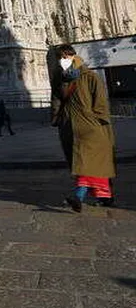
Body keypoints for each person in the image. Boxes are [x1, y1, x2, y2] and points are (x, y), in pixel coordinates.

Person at [50, 43, 116, 211]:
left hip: (91, 127)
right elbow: (56, 100)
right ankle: (105, 196)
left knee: (86, 161)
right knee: (84, 162)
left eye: (64, 57)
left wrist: (97, 119)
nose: (62, 61)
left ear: (72, 56)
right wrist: (57, 119)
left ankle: (77, 196)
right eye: (59, 59)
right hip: (69, 127)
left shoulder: (90, 76)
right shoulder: (60, 79)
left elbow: (101, 102)